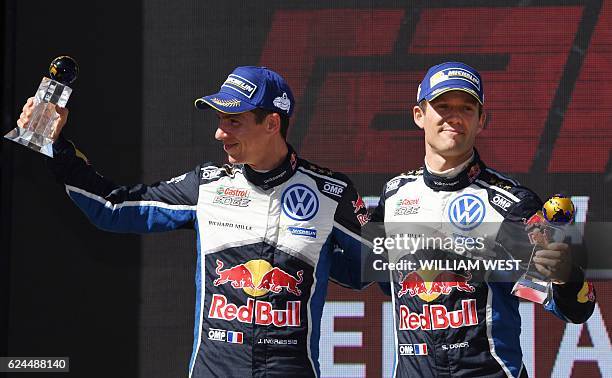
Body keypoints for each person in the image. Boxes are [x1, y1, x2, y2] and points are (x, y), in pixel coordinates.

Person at [17, 66, 370, 377]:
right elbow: (113, 208)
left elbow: (377, 269)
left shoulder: (332, 192)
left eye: (233, 120)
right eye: (219, 120)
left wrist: (318, 254)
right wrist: (55, 144)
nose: (220, 133)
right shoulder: (207, 186)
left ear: (272, 123)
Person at [369, 62, 596, 377]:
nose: (454, 117)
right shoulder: (393, 197)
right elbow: (383, 282)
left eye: (466, 108)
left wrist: (564, 276)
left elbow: (574, 308)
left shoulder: (510, 205)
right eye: (443, 106)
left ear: (481, 120)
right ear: (419, 116)